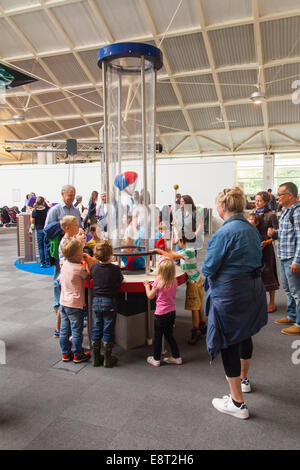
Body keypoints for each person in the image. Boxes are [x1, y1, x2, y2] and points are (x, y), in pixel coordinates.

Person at [202, 187, 267, 420]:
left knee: (229, 341)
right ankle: (244, 380)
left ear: (222, 207)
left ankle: (238, 403)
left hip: (231, 294)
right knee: (244, 334)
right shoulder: (251, 228)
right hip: (253, 290)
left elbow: (208, 267)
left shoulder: (223, 233)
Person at [154, 232, 206, 345]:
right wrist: (165, 250)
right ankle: (203, 324)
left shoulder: (188, 251)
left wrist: (159, 251)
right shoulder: (190, 249)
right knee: (199, 303)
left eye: (179, 242)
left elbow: (172, 256)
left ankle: (196, 330)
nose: (178, 243)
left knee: (194, 307)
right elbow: (174, 253)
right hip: (198, 279)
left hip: (193, 282)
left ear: (183, 242)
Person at [45, 185, 81, 336]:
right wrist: (62, 230)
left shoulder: (76, 210)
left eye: (73, 195)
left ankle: (71, 304)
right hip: (62, 249)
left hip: (75, 249)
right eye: (69, 195)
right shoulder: (55, 210)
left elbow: (80, 226)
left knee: (72, 277)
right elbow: (47, 229)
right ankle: (58, 304)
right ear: (62, 194)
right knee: (58, 277)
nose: (71, 197)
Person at [268, 182, 300, 336]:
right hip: (283, 256)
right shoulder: (286, 211)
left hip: (292, 259)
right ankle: (292, 316)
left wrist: (297, 261)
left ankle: (299, 323)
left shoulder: (297, 212)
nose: (277, 197)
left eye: (280, 194)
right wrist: (275, 233)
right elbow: (287, 231)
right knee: (288, 290)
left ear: (290, 195)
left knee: (297, 292)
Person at [90, 240, 124, 367]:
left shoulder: (93, 267)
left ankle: (95, 358)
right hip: (109, 302)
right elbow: (120, 280)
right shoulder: (115, 269)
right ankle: (107, 359)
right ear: (111, 254)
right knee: (108, 330)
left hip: (96, 302)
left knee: (97, 328)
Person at [144, 258, 182, 367]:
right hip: (171, 313)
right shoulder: (175, 281)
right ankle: (177, 357)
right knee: (169, 335)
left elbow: (150, 296)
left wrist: (147, 285)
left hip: (160, 314)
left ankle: (156, 359)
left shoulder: (158, 282)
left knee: (157, 337)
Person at [59, 238, 90, 363]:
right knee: (77, 330)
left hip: (63, 302)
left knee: (64, 329)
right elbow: (88, 276)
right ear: (76, 254)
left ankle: (65, 353)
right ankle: (78, 354)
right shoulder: (79, 268)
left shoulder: (64, 265)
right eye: (81, 251)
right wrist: (87, 262)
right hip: (75, 304)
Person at [255, 191, 279, 313]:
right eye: (256, 200)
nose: (257, 203)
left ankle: (272, 302)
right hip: (255, 248)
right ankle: (259, 301)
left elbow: (277, 235)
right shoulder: (254, 213)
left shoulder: (271, 215)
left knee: (269, 273)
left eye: (259, 201)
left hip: (267, 248)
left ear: (265, 202)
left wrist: (269, 239)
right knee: (256, 274)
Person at [30, 196, 50, 268]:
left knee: (40, 247)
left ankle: (43, 263)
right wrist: (46, 201)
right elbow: (50, 207)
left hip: (39, 230)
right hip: (46, 230)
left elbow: (32, 222)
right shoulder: (47, 209)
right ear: (43, 202)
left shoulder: (35, 211)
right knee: (47, 245)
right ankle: (48, 261)